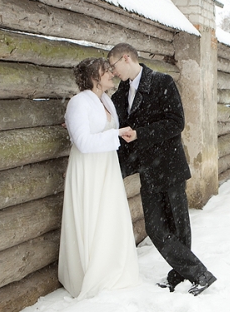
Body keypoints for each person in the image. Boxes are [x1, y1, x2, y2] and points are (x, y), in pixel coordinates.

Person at [107, 43, 216, 296]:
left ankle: (185, 275)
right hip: (148, 169)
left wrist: (141, 134)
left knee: (178, 226)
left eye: (113, 66)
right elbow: (113, 120)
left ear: (126, 58)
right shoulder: (123, 91)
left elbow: (176, 122)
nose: (113, 72)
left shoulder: (162, 82)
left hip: (170, 165)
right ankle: (196, 273)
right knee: (155, 227)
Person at [58, 57, 139, 299]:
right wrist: (115, 133)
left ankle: (110, 265)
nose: (112, 74)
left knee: (108, 214)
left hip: (107, 165)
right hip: (88, 168)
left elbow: (107, 131)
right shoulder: (78, 103)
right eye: (107, 72)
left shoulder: (106, 100)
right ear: (95, 76)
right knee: (91, 214)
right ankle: (90, 271)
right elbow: (82, 142)